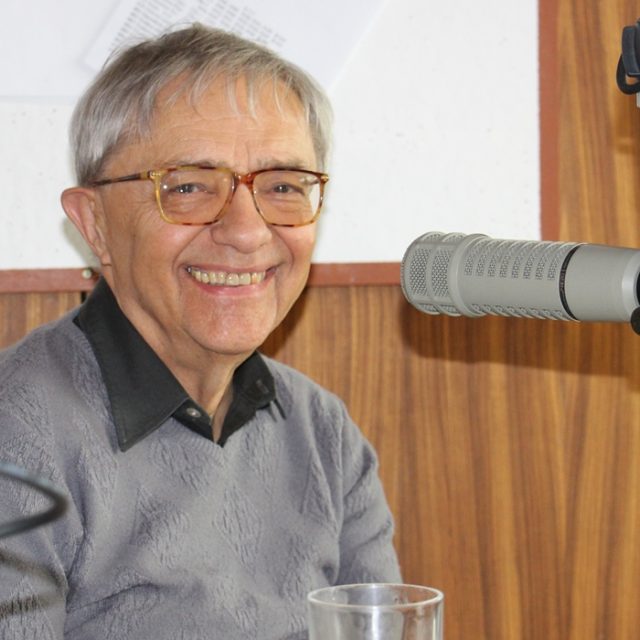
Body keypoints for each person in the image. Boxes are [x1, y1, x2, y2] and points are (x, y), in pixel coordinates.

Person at [0, 23, 401, 639]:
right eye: (187, 186)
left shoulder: (323, 432)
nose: (246, 232)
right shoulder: (18, 433)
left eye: (283, 186)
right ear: (95, 223)